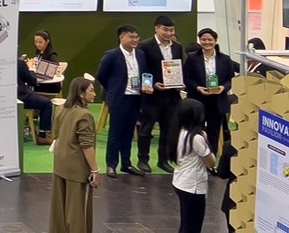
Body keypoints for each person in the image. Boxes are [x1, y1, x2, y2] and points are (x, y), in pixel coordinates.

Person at [50, 75, 101, 233]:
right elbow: (87, 145)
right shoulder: (84, 115)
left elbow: (56, 135)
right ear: (81, 93)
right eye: (91, 91)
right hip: (76, 168)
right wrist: (95, 170)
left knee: (59, 208)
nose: (94, 94)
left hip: (60, 164)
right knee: (76, 210)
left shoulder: (60, 109)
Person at [96, 24, 147, 176]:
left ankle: (126, 164)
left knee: (129, 133)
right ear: (121, 37)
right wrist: (113, 88)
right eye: (131, 37)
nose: (135, 40)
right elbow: (101, 75)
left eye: (136, 37)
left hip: (135, 98)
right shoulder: (112, 55)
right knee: (115, 133)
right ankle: (111, 165)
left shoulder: (140, 54)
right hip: (119, 99)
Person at [138, 14, 186, 173]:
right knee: (146, 129)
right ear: (156, 28)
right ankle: (143, 160)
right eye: (165, 30)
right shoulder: (144, 46)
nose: (169, 33)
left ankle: (163, 160)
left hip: (172, 96)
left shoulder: (177, 47)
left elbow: (179, 68)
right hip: (152, 96)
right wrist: (153, 84)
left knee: (169, 129)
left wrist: (180, 83)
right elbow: (141, 70)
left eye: (172, 30)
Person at [184, 27, 238, 149]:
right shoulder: (192, 58)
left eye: (210, 39)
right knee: (196, 131)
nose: (206, 42)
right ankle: (197, 155)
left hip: (217, 101)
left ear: (215, 41)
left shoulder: (225, 59)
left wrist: (223, 87)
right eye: (203, 39)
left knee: (214, 132)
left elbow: (231, 79)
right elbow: (186, 78)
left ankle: (211, 157)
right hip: (198, 99)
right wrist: (197, 87)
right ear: (199, 41)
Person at [172, 98, 217, 233]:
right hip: (193, 186)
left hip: (180, 181)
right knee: (192, 227)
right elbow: (211, 162)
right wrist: (205, 140)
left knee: (185, 224)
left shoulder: (178, 131)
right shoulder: (196, 138)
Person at [19, 57, 55, 143]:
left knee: (37, 98)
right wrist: (31, 68)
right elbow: (32, 81)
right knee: (47, 103)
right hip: (22, 97)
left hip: (7, 98)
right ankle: (42, 136)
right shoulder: (20, 64)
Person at [29, 30, 63, 94]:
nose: (38, 44)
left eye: (40, 42)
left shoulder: (52, 54)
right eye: (36, 42)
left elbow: (56, 67)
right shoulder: (39, 52)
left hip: (50, 85)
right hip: (41, 81)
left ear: (47, 41)